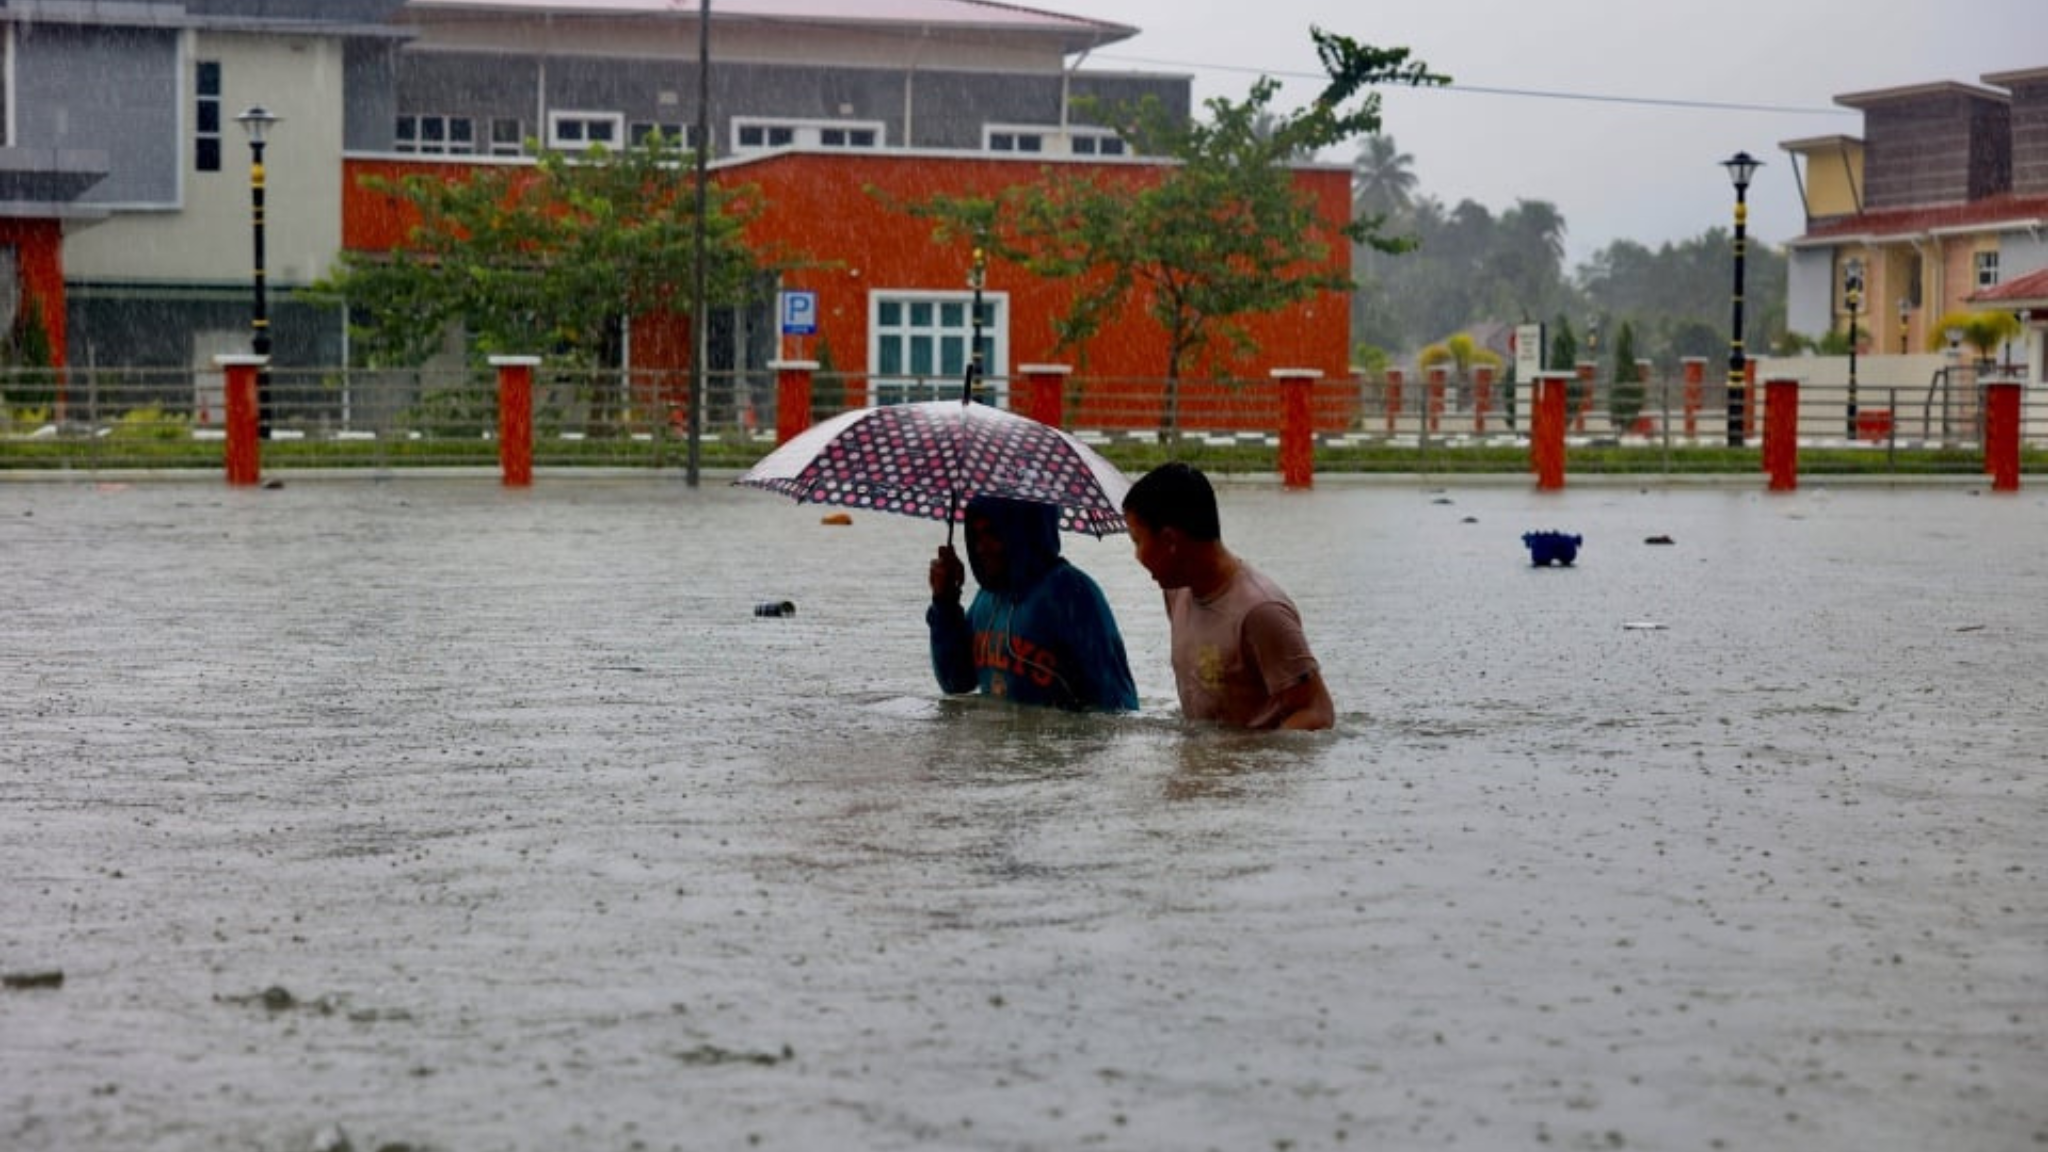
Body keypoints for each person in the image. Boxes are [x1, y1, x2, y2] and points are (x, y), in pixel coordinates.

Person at [1121, 462, 1334, 731]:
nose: (1136, 556)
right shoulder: (1175, 592)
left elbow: (1317, 713)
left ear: (1170, 540)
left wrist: (1247, 761)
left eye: (1137, 541)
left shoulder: (1261, 611)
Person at [927, 494, 1140, 712]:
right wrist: (945, 602)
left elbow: (1117, 705)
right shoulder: (988, 597)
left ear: (1022, 531)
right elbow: (955, 683)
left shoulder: (1070, 592)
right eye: (976, 535)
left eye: (993, 533)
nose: (981, 547)